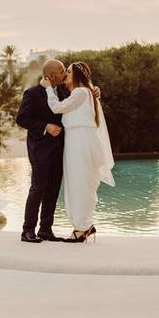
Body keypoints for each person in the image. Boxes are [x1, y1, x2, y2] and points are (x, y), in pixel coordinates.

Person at [15, 59, 101, 243]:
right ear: (51, 76)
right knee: (37, 188)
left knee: (53, 189)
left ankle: (45, 229)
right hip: (40, 149)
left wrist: (94, 92)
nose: (64, 75)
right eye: (62, 72)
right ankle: (27, 230)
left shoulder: (63, 91)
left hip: (60, 149)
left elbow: (80, 99)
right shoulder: (32, 93)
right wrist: (45, 126)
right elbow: (22, 119)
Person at [39, 61, 115, 241]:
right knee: (79, 181)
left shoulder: (81, 92)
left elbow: (56, 107)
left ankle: (82, 227)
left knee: (80, 182)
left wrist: (48, 88)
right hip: (76, 141)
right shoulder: (81, 93)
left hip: (80, 142)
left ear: (77, 75)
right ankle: (84, 225)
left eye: (69, 71)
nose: (66, 74)